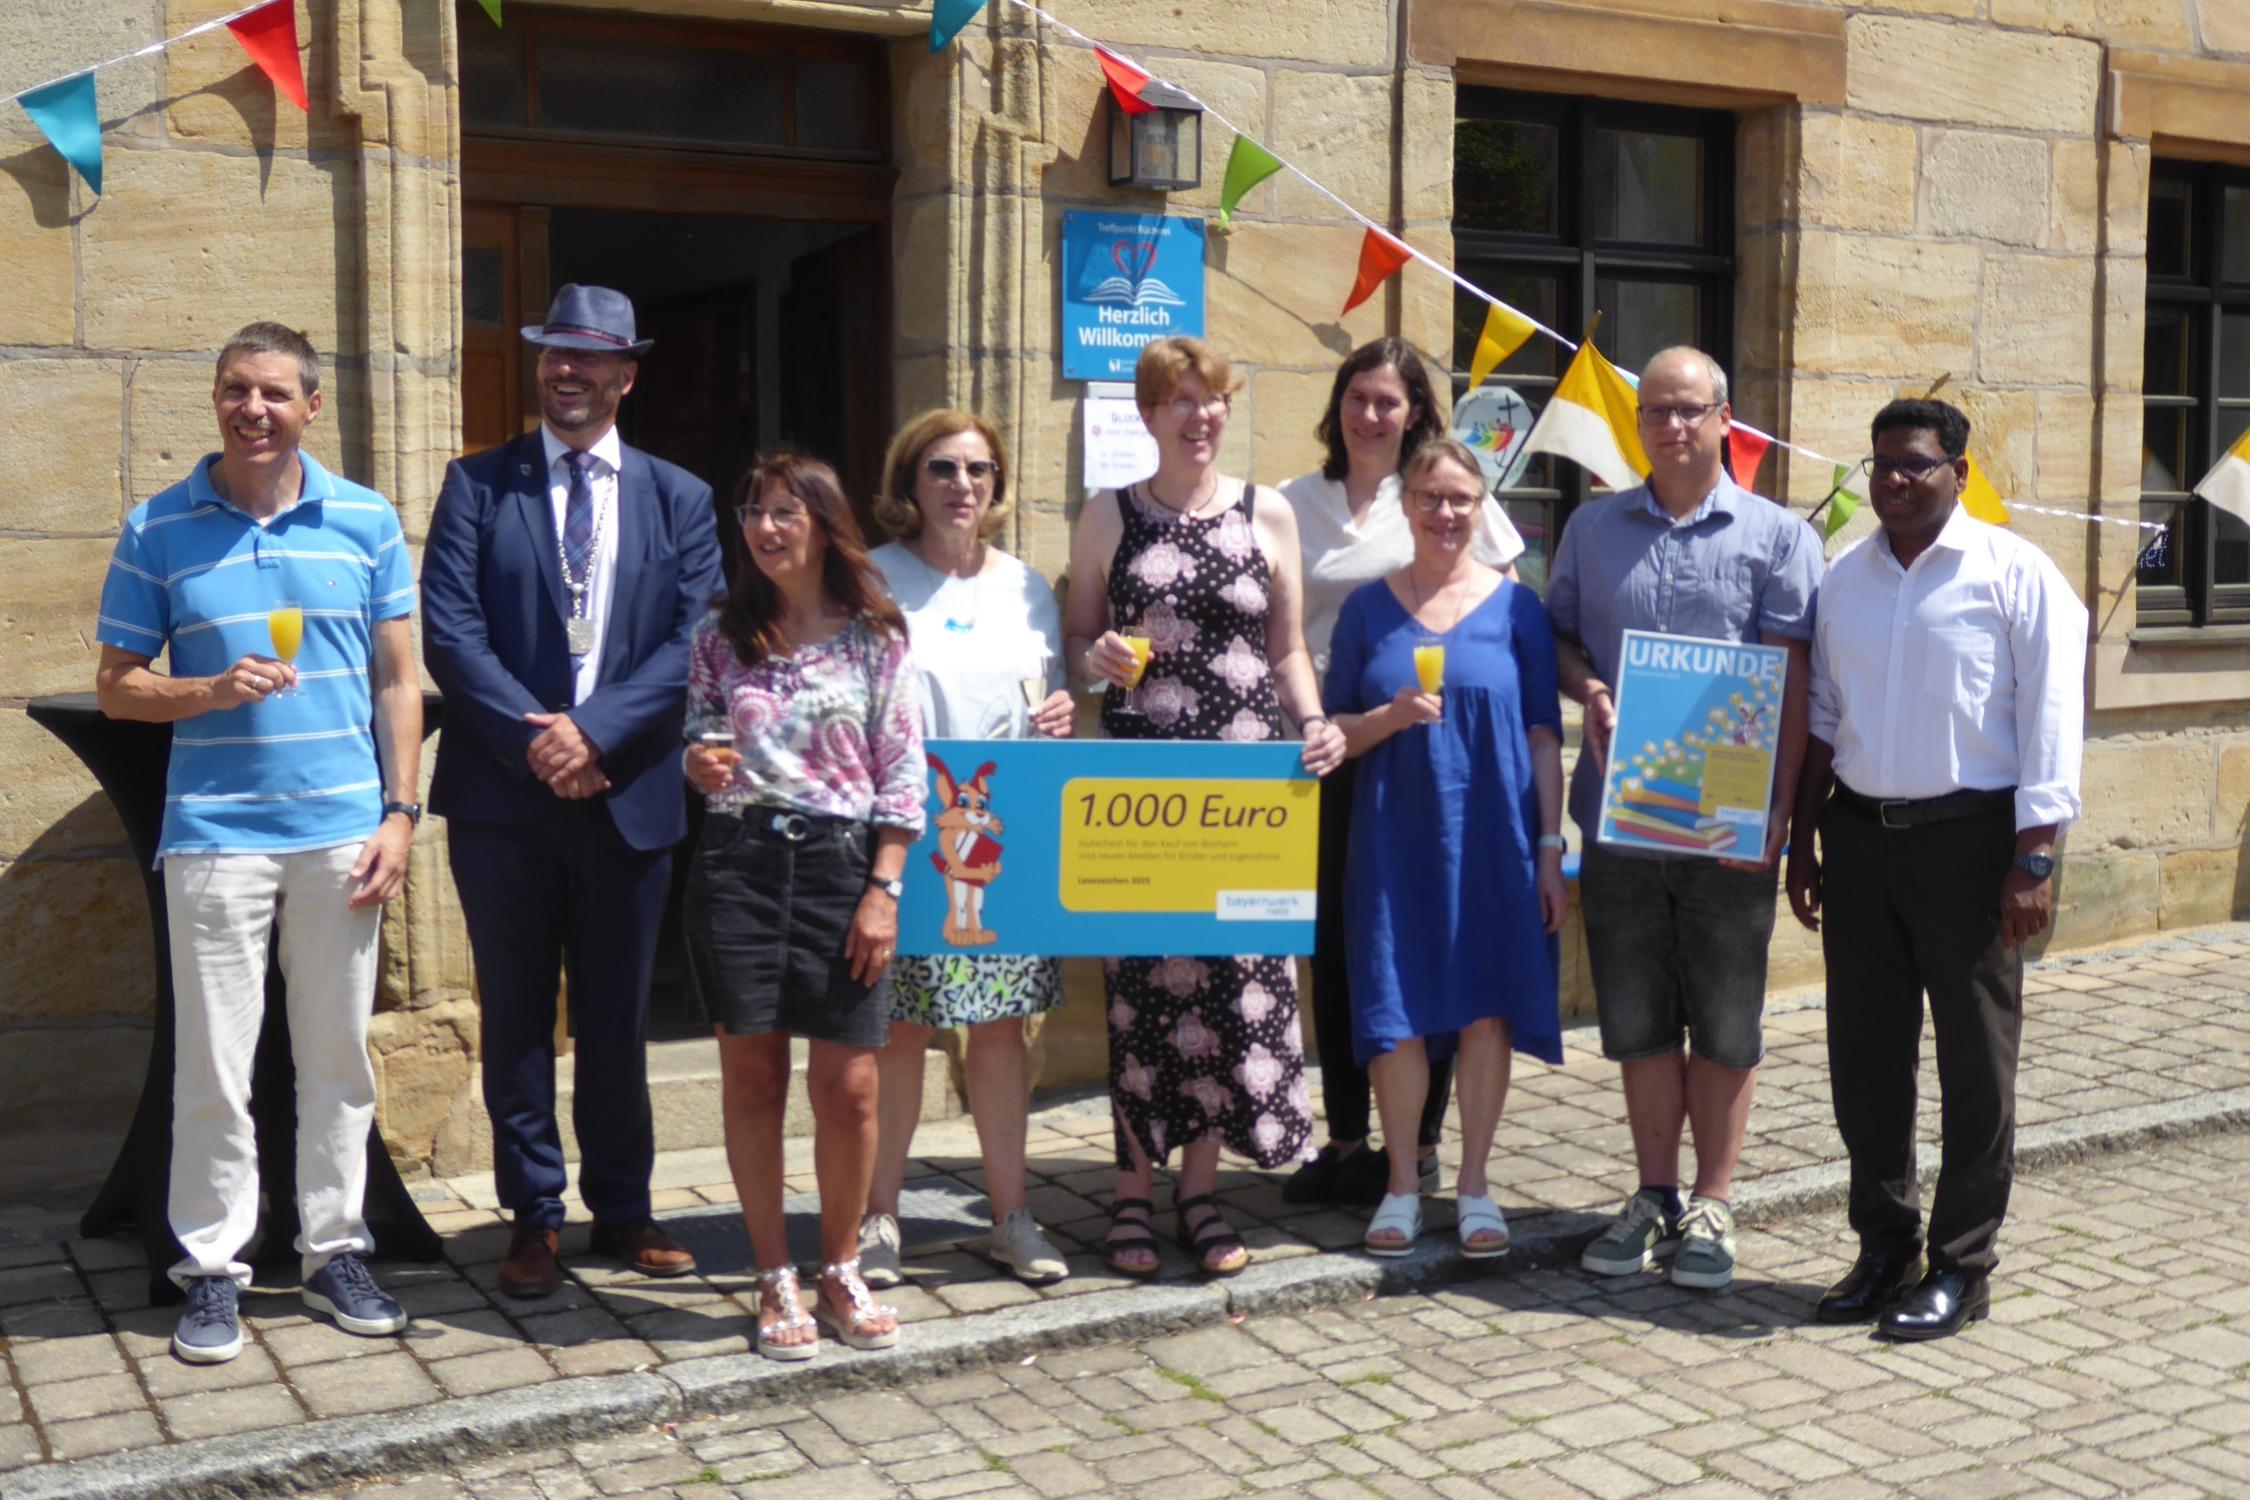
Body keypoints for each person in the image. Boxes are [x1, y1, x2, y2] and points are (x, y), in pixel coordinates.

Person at [93, 322, 421, 1363]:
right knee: (214, 1068)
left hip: (342, 836)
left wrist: (401, 814)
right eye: (237, 390)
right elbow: (117, 687)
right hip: (216, 835)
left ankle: (334, 1252)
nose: (254, 409)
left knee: (337, 1059)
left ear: (311, 407)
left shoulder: (365, 520)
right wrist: (209, 689)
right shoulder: (157, 527)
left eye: (275, 393)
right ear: (218, 401)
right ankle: (212, 1271)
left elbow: (398, 681)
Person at [421, 285, 724, 1299]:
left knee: (616, 1017)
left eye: (590, 358)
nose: (568, 371)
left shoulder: (679, 496)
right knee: (514, 1017)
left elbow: (696, 640)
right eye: (554, 352)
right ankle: (533, 1217)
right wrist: (540, 741)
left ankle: (625, 1209)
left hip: (628, 793)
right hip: (504, 803)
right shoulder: (476, 486)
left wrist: (594, 732)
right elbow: (452, 637)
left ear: (626, 375)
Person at [1787, 399, 2086, 1341]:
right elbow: (1825, 721)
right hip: (1862, 840)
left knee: (1974, 1066)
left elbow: (2050, 720)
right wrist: (1804, 838)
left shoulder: (2015, 574)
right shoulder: (1846, 579)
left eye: (1914, 465)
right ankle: (1884, 1246)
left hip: (1974, 846)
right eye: (1880, 464)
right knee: (1865, 1062)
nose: (1892, 481)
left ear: (1959, 469)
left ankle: (1962, 1265)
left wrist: (2035, 855)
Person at [1063, 336, 1348, 1278]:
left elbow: (1287, 650)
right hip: (1145, 788)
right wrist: (1096, 661)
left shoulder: (1270, 514)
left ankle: (1199, 1193)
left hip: (1246, 787)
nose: (1200, 416)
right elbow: (1077, 640)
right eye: (1180, 401)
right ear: (1148, 414)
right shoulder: (1108, 516)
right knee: (1143, 988)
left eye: (1214, 399)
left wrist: (1315, 725)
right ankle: (1132, 1197)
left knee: (1231, 988)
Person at [1546, 345, 1821, 1293]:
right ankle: (1653, 1194)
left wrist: (1781, 811)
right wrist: (1586, 688)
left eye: (1688, 410)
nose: (1671, 426)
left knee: (1727, 1018)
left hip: (1729, 826)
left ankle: (1714, 1199)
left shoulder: (1779, 536)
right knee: (1636, 1015)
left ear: (1724, 418)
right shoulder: (1591, 529)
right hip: (1624, 819)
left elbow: (1793, 686)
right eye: (1655, 411)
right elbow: (1559, 634)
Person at [682, 452, 925, 1360]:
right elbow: (699, 735)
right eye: (753, 512)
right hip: (739, 864)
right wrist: (695, 762)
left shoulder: (875, 635)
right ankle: (773, 1273)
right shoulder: (720, 632)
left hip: (841, 868)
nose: (767, 528)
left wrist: (883, 891)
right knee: (752, 1080)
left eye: (786, 512)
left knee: (850, 1087)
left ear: (824, 524)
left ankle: (838, 1266)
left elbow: (903, 780)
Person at [1279, 338, 1527, 1209]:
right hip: (1327, 739)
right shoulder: (1290, 502)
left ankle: (1418, 1146)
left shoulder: (1437, 494)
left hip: (1429, 745)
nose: (1370, 414)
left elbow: (1499, 600)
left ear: (1416, 412)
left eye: (1389, 401)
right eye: (1358, 396)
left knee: (1435, 937)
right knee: (1342, 949)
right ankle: (1348, 1136)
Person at [1324, 438, 1567, 1258]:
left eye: (1461, 497)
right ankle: (1401, 1185)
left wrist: (1547, 847)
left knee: (1483, 1009)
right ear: (1406, 503)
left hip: (1494, 837)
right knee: (1394, 1010)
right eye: (1429, 496)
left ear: (1480, 506)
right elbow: (1329, 738)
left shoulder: (1516, 607)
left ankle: (1474, 1186)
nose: (1445, 512)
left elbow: (1542, 736)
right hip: (1394, 842)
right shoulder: (1366, 610)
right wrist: (1388, 717)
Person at [860, 411, 1076, 1290]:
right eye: (942, 468)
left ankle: (1011, 1217)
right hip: (904, 837)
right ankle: (879, 1219)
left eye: (979, 470)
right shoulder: (876, 579)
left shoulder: (1029, 587)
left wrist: (1058, 716)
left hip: (1002, 839)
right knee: (899, 1032)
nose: (962, 485)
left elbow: (1048, 698)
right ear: (910, 482)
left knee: (998, 1031)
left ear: (997, 484)